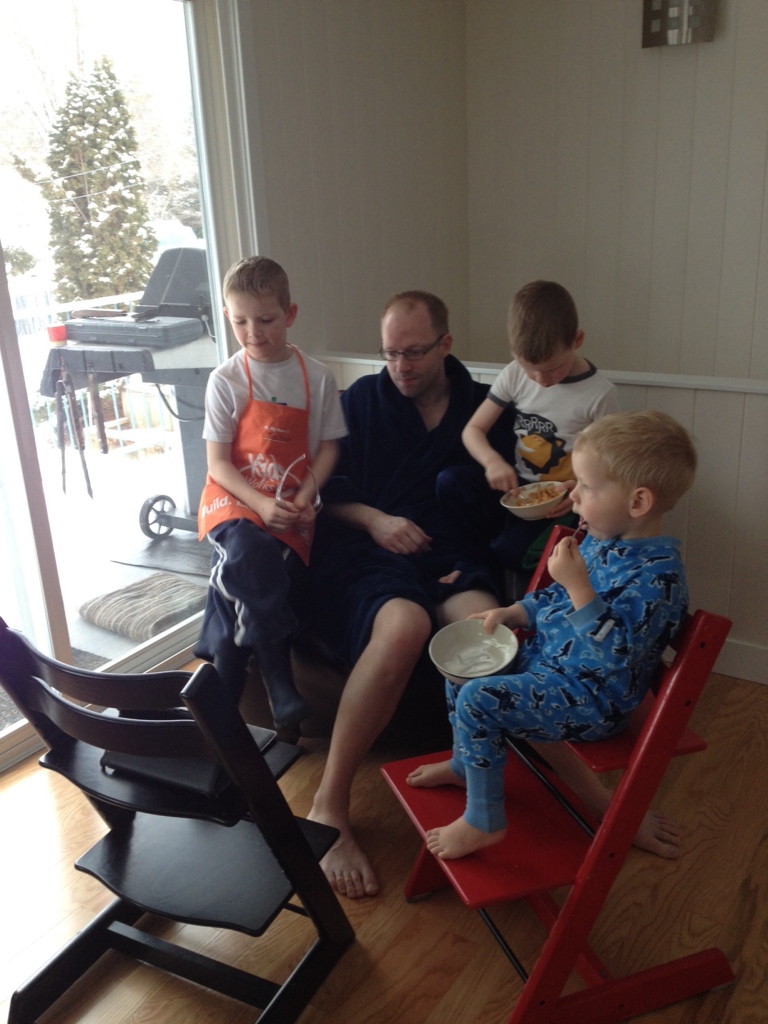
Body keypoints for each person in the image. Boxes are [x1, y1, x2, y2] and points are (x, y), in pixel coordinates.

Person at [408, 410, 696, 861]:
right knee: (464, 666)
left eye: (587, 486)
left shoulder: (658, 578)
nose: (572, 494)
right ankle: (467, 765)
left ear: (638, 502)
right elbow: (557, 599)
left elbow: (617, 655)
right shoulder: (603, 538)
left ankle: (484, 820)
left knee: (480, 699)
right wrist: (515, 611)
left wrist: (581, 588)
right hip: (550, 667)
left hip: (591, 700)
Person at [306, 290, 515, 899]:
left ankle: (486, 779)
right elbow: (326, 495)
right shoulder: (359, 402)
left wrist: (469, 557)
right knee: (404, 626)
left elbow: (498, 503)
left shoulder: (484, 408)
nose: (401, 367)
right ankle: (328, 805)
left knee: (489, 633)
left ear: (446, 345)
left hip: (450, 556)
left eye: (415, 353)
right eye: (390, 354)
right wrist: (376, 520)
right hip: (371, 550)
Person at [195, 256, 347, 735]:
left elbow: (328, 448)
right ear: (227, 316)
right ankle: (279, 678)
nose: (253, 333)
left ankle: (221, 688)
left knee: (239, 576)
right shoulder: (225, 380)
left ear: (290, 314)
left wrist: (305, 497)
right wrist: (258, 505)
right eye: (240, 321)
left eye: (265, 320)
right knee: (246, 547)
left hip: (289, 500)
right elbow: (218, 464)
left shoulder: (316, 378)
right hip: (233, 498)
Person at [447, 280, 619, 578]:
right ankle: (470, 567)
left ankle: (499, 573)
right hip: (518, 489)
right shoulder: (514, 374)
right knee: (451, 481)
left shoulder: (599, 394)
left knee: (512, 551)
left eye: (552, 368)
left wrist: (578, 488)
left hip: (563, 498)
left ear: (577, 340)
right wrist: (492, 462)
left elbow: (612, 463)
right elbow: (472, 430)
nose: (540, 379)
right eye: (529, 369)